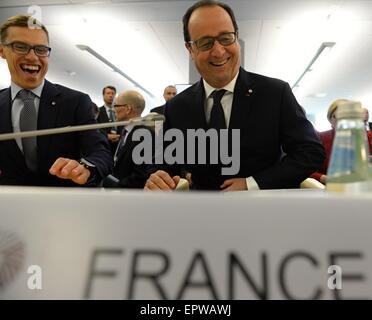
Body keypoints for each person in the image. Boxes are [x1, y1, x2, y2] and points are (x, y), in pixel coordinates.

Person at [144, 0, 325, 191]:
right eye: (205, 43)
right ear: (190, 49)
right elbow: (163, 162)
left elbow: (310, 153)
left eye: (226, 38)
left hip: (264, 210)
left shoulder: (275, 93)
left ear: (237, 38)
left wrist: (252, 183)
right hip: (201, 213)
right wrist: (158, 177)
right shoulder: (176, 106)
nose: (218, 51)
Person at [0, 15, 113, 186]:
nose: (32, 57)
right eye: (21, 47)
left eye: (41, 49)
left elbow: (100, 152)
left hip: (63, 206)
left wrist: (86, 167)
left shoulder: (76, 102)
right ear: (2, 51)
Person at [310, 100, 372, 184]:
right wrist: (326, 179)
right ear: (330, 119)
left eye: (347, 116)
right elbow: (307, 170)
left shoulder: (367, 137)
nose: (343, 119)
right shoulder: (320, 138)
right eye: (338, 115)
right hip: (330, 188)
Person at [102, 90, 152, 188]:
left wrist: (114, 186)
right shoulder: (125, 130)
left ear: (128, 109)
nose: (113, 109)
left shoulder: (144, 135)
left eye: (116, 106)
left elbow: (141, 175)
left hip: (128, 196)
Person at [97, 85, 121, 153]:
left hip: (118, 146)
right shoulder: (98, 111)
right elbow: (94, 129)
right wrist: (106, 136)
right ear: (103, 95)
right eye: (108, 93)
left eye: (113, 93)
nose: (111, 95)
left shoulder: (120, 112)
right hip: (102, 146)